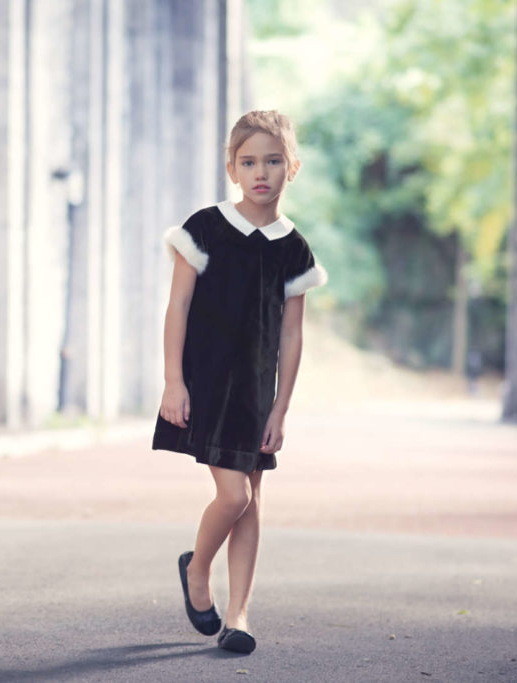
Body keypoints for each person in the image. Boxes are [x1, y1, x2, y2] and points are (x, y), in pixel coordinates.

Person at [151, 110, 327, 654]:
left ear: (291, 168)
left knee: (253, 494)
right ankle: (198, 570)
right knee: (233, 496)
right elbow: (178, 305)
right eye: (248, 161)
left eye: (273, 161)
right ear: (232, 167)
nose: (261, 172)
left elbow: (292, 337)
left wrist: (281, 409)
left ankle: (240, 614)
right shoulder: (205, 227)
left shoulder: (292, 247)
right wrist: (172, 382)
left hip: (255, 390)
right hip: (206, 382)